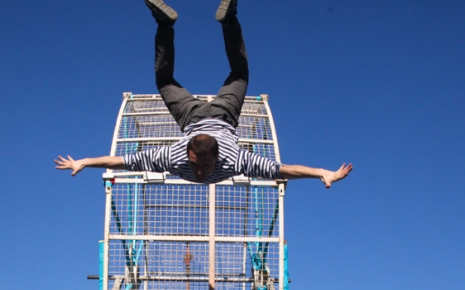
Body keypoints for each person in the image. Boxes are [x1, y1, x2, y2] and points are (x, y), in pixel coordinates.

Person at [55, 0, 352, 187]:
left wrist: (320, 173)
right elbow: (122, 161)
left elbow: (283, 170)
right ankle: (227, 20)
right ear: (188, 152)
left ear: (218, 157)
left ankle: (167, 25)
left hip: (193, 117)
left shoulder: (234, 158)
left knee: (165, 81)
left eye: (205, 166)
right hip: (220, 115)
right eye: (197, 164)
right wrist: (84, 162)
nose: (199, 171)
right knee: (239, 74)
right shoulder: (175, 156)